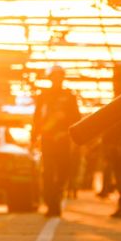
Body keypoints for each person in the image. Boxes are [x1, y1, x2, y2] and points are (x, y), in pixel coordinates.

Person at [32, 69, 80, 217]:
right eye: (54, 76)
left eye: (59, 76)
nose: (57, 79)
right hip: (47, 140)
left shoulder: (69, 97)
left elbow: (76, 118)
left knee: (63, 171)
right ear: (51, 78)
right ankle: (51, 203)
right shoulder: (43, 96)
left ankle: (56, 197)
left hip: (63, 140)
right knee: (47, 173)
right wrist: (34, 136)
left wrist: (68, 134)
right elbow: (37, 117)